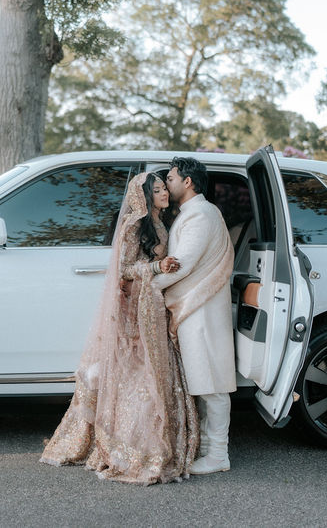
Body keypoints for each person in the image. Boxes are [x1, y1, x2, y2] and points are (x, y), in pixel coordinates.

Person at [39, 172, 199, 485]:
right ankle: (131, 444)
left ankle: (157, 437)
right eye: (157, 190)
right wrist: (156, 266)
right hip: (135, 306)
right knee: (137, 370)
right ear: (144, 196)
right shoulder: (134, 225)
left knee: (155, 367)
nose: (164, 193)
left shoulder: (161, 222)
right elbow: (123, 269)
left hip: (153, 302)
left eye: (165, 188)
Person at [154, 156, 236, 475]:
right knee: (204, 382)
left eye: (170, 178)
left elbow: (182, 264)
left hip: (202, 308)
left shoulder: (201, 214)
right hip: (195, 306)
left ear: (188, 182)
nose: (166, 184)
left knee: (213, 383)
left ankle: (218, 455)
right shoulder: (192, 212)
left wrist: (147, 285)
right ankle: (206, 448)